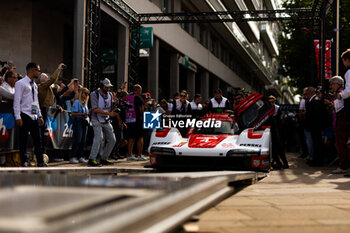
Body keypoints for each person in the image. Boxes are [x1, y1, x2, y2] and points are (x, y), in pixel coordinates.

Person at [13, 62, 46, 167]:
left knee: (38, 140)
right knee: (23, 139)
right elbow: (17, 100)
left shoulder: (35, 85)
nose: (39, 73)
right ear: (32, 70)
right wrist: (17, 116)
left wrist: (40, 115)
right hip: (24, 114)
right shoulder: (20, 83)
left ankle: (40, 161)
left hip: (34, 115)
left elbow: (35, 102)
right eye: (38, 70)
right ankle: (24, 160)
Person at [88, 78, 117, 166]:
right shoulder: (94, 94)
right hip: (96, 119)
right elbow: (95, 109)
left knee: (112, 139)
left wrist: (115, 104)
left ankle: (104, 158)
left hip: (106, 120)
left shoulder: (110, 95)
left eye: (109, 87)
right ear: (102, 86)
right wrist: (109, 113)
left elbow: (111, 108)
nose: (108, 88)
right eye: (106, 86)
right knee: (99, 138)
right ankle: (92, 159)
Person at [329, 76, 350, 173]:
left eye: (332, 84)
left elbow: (338, 107)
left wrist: (330, 104)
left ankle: (343, 166)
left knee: (340, 144)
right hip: (340, 120)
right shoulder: (341, 92)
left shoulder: (340, 93)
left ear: (337, 84)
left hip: (341, 120)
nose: (331, 86)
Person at [267, 95, 289, 169]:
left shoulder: (277, 108)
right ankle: (280, 164)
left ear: (275, 101)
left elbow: (279, 120)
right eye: (269, 102)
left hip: (278, 132)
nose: (271, 103)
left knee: (279, 149)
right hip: (271, 131)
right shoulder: (267, 109)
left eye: (272, 102)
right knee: (275, 150)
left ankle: (284, 164)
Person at [125, 84, 146, 161]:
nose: (141, 92)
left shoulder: (128, 97)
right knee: (140, 137)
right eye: (140, 90)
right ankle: (140, 155)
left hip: (129, 119)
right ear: (137, 90)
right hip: (137, 120)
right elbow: (141, 110)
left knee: (131, 138)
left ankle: (129, 154)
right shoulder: (138, 97)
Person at [69, 87, 90, 164]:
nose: (87, 95)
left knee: (83, 141)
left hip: (84, 122)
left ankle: (81, 156)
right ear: (81, 94)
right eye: (85, 93)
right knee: (78, 140)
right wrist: (82, 114)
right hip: (78, 121)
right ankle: (73, 156)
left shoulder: (85, 103)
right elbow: (73, 113)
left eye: (88, 94)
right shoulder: (77, 102)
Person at [304, 87, 324, 166]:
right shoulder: (312, 100)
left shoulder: (315, 101)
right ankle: (316, 160)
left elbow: (316, 114)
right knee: (315, 143)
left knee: (317, 143)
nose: (305, 95)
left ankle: (318, 161)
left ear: (309, 93)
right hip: (314, 126)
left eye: (306, 93)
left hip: (316, 127)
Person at [338, 49, 350, 144]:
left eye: (343, 61)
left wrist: (341, 94)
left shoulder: (348, 72)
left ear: (347, 60)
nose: (343, 63)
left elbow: (349, 90)